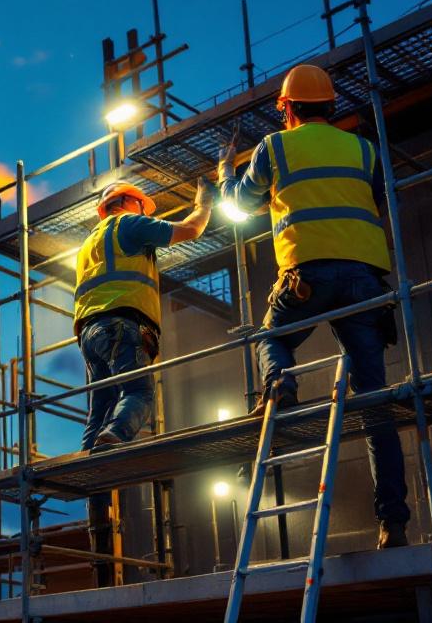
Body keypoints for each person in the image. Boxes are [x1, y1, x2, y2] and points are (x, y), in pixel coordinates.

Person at [218, 63, 410, 549]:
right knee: (374, 404)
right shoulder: (365, 149)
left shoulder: (275, 147)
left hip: (306, 275)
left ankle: (280, 382)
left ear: (286, 109)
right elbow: (375, 202)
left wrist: (226, 175)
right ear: (330, 106)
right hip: (366, 279)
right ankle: (393, 522)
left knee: (272, 338)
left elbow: (241, 205)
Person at [72, 177, 213, 585]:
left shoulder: (89, 242)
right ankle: (117, 435)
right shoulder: (127, 226)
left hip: (90, 333)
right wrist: (203, 200)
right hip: (125, 324)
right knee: (137, 391)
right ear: (129, 202)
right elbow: (192, 230)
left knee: (96, 411)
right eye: (142, 205)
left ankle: (94, 495)